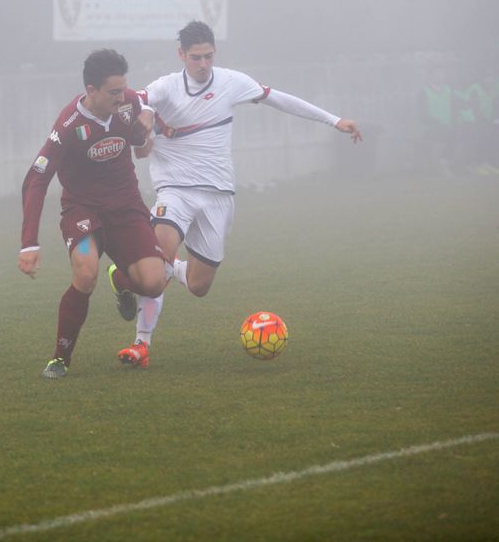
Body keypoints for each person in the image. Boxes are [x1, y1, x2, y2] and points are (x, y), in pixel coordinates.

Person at [109, 21, 361, 369]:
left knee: (198, 285)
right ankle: (141, 345)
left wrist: (334, 120)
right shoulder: (164, 87)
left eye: (208, 56)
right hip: (175, 190)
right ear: (181, 55)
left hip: (219, 195)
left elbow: (279, 100)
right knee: (158, 258)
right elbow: (142, 107)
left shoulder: (232, 82)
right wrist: (145, 126)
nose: (203, 64)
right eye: (195, 57)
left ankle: (121, 276)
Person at [19, 49, 167, 379]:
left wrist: (147, 128)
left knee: (155, 283)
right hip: (84, 213)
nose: (122, 97)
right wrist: (29, 243)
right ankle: (60, 358)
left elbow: (142, 148)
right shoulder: (69, 125)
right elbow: (36, 179)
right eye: (113, 92)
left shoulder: (127, 103)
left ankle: (120, 278)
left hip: (127, 208)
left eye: (123, 90)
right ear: (91, 91)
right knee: (85, 274)